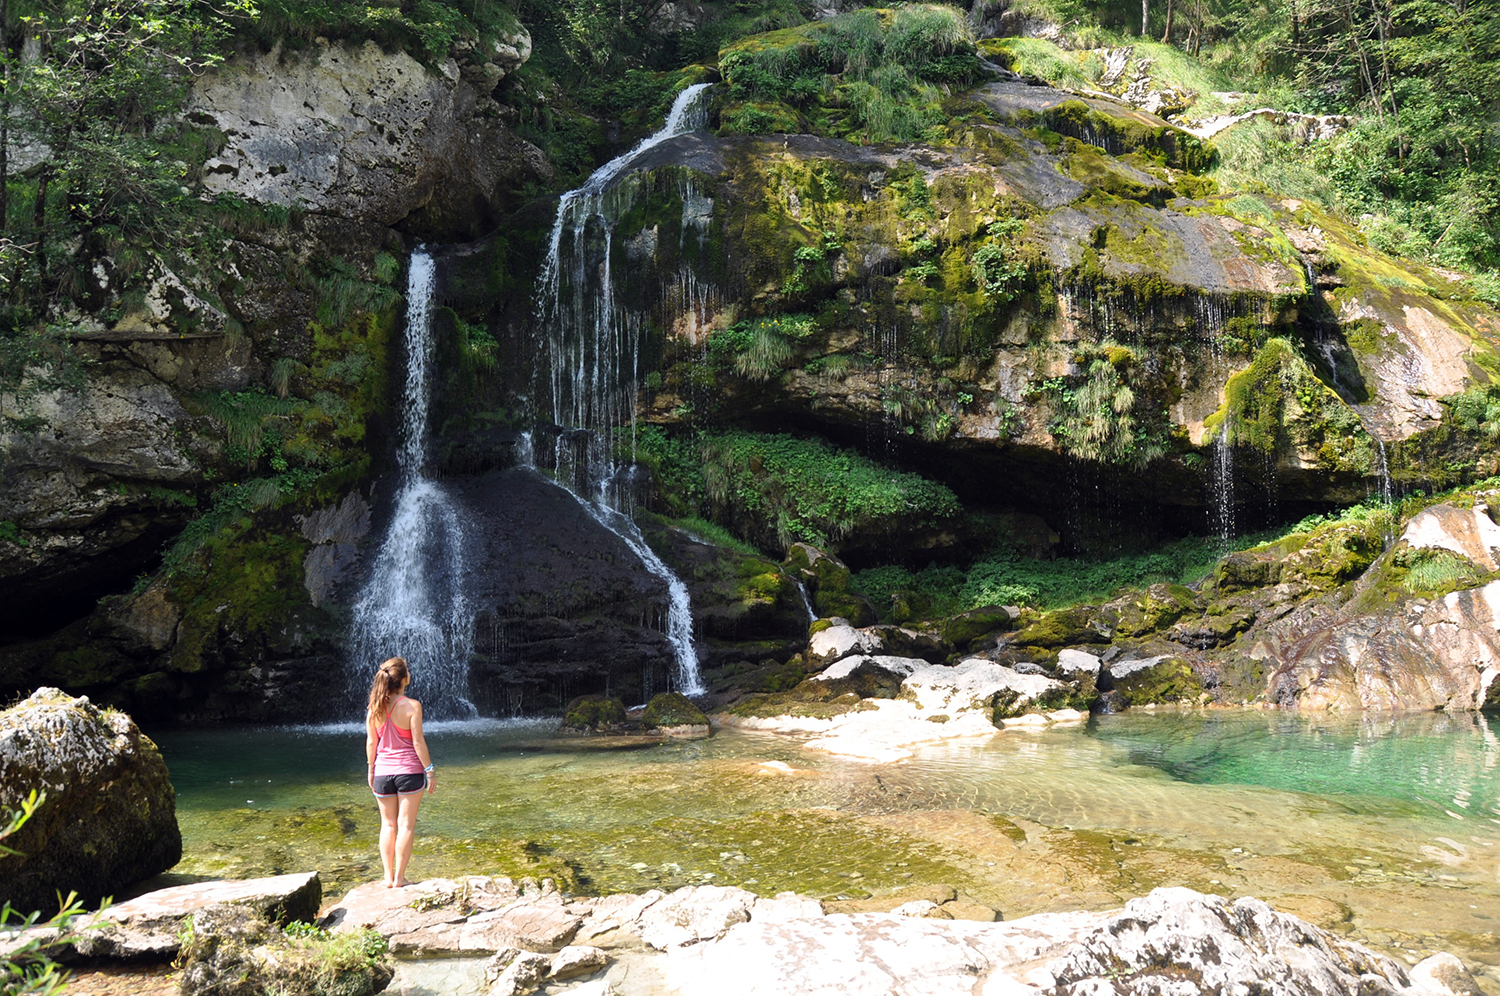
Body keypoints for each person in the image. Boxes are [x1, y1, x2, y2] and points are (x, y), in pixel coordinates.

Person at [365, 657, 435, 888]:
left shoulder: (374, 708)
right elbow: (418, 742)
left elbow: (371, 743)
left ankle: (387, 877)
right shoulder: (412, 706)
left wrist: (371, 769)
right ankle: (400, 878)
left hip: (383, 774)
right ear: (404, 679)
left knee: (387, 825)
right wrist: (430, 771)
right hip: (409, 773)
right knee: (405, 825)